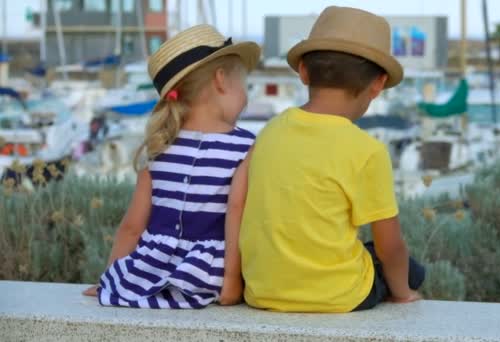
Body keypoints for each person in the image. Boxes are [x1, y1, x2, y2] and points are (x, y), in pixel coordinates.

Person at [234, 6, 426, 313]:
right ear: (378, 83)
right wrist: (403, 293)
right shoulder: (367, 151)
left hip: (264, 292)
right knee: (410, 269)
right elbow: (390, 247)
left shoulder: (270, 132)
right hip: (340, 296)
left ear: (304, 72)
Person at [82, 24, 260, 309]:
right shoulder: (247, 148)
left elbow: (131, 228)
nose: (246, 95)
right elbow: (237, 213)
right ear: (222, 80)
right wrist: (231, 280)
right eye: (245, 85)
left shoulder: (159, 146)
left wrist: (112, 279)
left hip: (147, 269)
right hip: (206, 274)